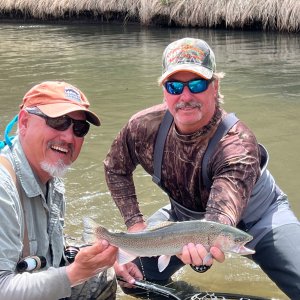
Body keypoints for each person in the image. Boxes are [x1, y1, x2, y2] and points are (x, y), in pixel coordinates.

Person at [104, 37, 300, 299]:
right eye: (174, 86)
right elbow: (115, 168)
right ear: (164, 90)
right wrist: (135, 226)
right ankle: (186, 295)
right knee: (131, 277)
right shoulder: (143, 127)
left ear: (214, 86)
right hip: (185, 219)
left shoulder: (237, 144)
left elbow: (219, 219)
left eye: (196, 84)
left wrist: (202, 253)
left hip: (260, 219)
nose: (185, 96)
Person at [0, 81, 118, 300]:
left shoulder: (51, 175)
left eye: (79, 128)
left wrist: (100, 259)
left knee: (104, 276)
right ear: (24, 122)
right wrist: (75, 273)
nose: (68, 137)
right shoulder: (3, 187)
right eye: (58, 122)